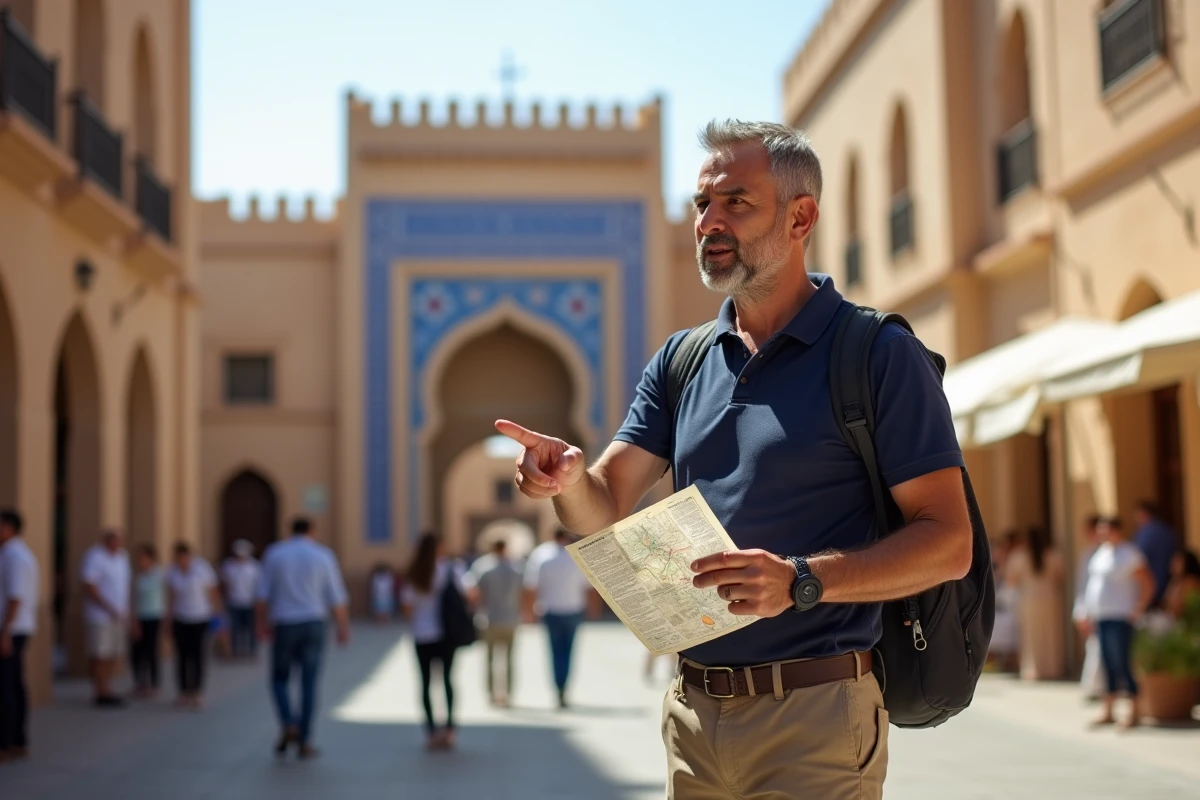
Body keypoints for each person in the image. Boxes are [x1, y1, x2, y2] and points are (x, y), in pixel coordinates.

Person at [496, 120, 971, 799]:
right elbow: (603, 502)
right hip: (693, 718)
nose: (708, 222)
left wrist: (801, 581)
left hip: (816, 717)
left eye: (735, 203)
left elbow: (949, 543)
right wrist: (567, 481)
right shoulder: (682, 362)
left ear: (801, 216)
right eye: (701, 205)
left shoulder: (875, 354)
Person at [256, 516, 350, 761]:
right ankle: (305, 739)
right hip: (313, 623)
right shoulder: (323, 555)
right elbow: (336, 596)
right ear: (312, 531)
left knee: (279, 679)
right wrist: (342, 626)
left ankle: (289, 722)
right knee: (309, 683)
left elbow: (262, 594)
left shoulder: (275, 554)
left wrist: (261, 623)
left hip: (285, 623)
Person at [1080, 516, 1155, 728]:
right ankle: (1109, 710)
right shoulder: (1101, 553)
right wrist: (1087, 612)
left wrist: (1138, 608)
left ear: (1117, 530)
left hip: (1120, 617)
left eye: (1106, 530)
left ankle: (1134, 711)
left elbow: (1147, 582)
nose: (1102, 534)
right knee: (1107, 664)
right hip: (1102, 617)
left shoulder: (1129, 554)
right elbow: (1093, 585)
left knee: (1122, 662)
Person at [401, 533, 467, 751]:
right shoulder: (451, 569)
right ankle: (449, 730)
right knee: (447, 680)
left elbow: (407, 607)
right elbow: (467, 595)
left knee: (425, 683)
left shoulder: (414, 572)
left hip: (422, 634)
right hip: (446, 634)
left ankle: (431, 732)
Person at [523, 529, 593, 709]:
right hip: (572, 609)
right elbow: (587, 586)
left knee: (554, 651)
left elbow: (531, 586)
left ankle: (558, 686)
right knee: (568, 651)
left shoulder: (541, 555)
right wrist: (593, 610)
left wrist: (529, 612)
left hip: (550, 609)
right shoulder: (575, 555)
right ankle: (564, 687)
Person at [464, 538, 523, 707]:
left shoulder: (482, 566)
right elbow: (524, 591)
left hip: (489, 619)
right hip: (510, 619)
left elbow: (471, 591)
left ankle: (491, 694)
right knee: (509, 659)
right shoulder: (516, 567)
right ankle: (509, 694)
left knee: (489, 659)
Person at [165, 542, 221, 709]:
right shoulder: (172, 572)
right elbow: (171, 597)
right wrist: (167, 620)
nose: (182, 561)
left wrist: (218, 616)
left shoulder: (202, 569)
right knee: (182, 656)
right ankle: (184, 691)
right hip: (181, 618)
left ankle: (197, 691)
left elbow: (213, 593)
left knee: (198, 656)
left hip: (200, 617)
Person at [81, 529, 132, 708]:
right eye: (116, 540)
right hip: (100, 616)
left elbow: (125, 586)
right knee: (100, 654)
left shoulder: (122, 557)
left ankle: (107, 689)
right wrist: (109, 608)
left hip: (118, 615)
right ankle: (99, 691)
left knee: (112, 653)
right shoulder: (95, 557)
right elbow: (90, 585)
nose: (119, 544)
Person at [0, 509, 36, 761]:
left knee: (6, 687)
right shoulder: (13, 554)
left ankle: (6, 742)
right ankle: (17, 740)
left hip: (11, 629)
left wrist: (5, 632)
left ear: (9, 527)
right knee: (13, 684)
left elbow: (15, 596)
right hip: (15, 628)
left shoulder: (14, 556)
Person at [1006, 525, 1065, 680]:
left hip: (1029, 598)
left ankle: (1032, 670)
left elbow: (1011, 580)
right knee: (1050, 634)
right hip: (1049, 598)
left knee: (1030, 635)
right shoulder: (1053, 555)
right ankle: (1051, 669)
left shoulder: (1019, 557)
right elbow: (1060, 577)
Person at [1072, 515, 1106, 699]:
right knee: (1094, 647)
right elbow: (1082, 585)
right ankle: (1095, 687)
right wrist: (1081, 611)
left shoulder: (1108, 553)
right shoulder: (1088, 554)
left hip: (1106, 610)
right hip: (1091, 609)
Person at [130, 543, 166, 699]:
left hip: (154, 616)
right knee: (137, 652)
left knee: (151, 651)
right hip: (139, 617)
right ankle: (140, 684)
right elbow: (132, 598)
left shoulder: (160, 575)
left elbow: (167, 596)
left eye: (143, 557)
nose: (140, 560)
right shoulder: (137, 576)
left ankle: (154, 684)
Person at [1132, 500, 1178, 609]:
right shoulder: (1167, 531)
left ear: (1143, 513)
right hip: (1168, 583)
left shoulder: (1146, 533)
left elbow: (1136, 559)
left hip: (1150, 584)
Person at [221, 539, 261, 659]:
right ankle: (235, 651)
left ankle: (251, 651)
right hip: (233, 602)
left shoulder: (254, 567)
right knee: (234, 628)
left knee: (251, 629)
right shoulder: (228, 566)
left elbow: (258, 586)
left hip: (250, 602)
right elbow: (224, 584)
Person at [1164, 549, 1200, 621]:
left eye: (1177, 561)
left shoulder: (1190, 582)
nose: (1173, 564)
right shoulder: (1174, 581)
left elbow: (1178, 608)